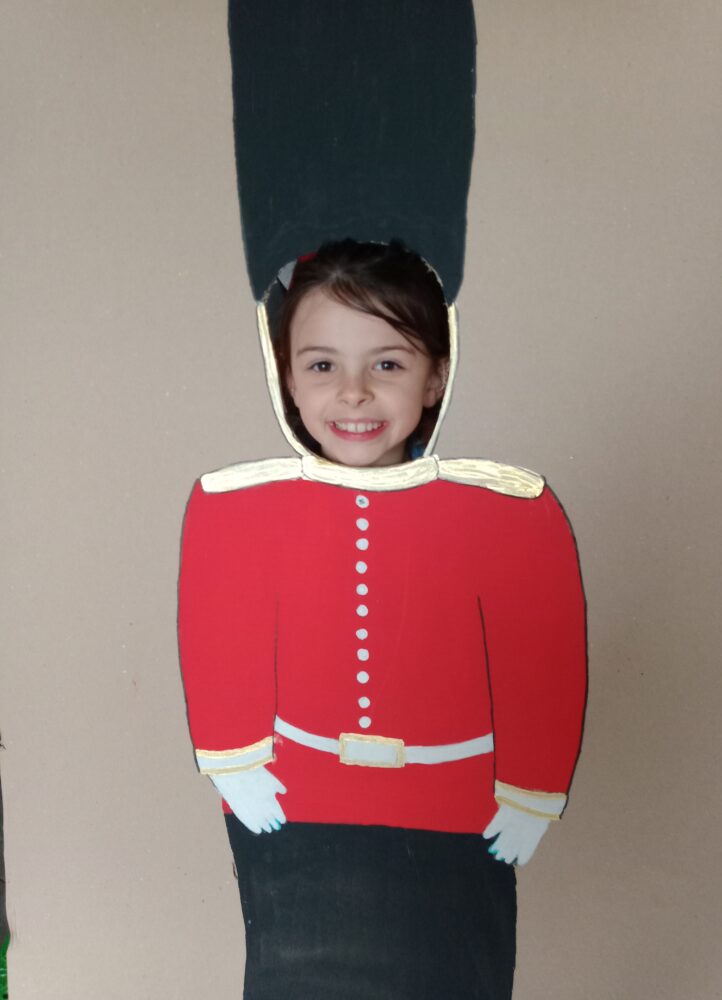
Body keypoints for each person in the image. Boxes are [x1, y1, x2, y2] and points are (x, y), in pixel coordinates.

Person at [178, 240, 587, 999]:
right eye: (322, 365)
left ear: (436, 376)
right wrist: (235, 765)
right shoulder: (234, 508)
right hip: (295, 806)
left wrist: (530, 793)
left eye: (388, 364)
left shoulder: (512, 512)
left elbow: (541, 660)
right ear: (286, 375)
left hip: (455, 811)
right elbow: (219, 636)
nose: (354, 393)